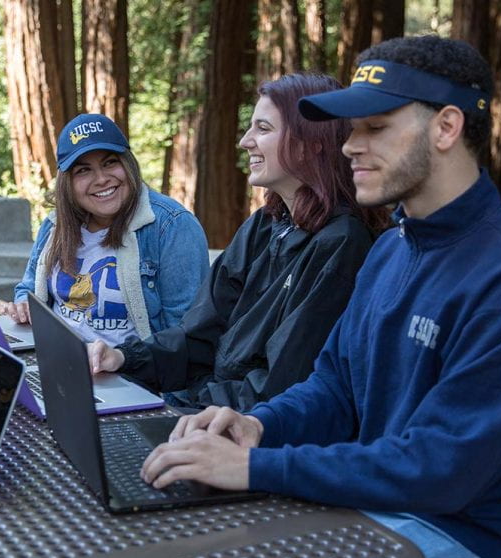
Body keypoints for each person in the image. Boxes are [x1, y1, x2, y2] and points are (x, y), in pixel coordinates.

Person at [139, 36, 501, 558]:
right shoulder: (392, 250)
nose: (351, 145)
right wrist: (259, 426)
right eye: (351, 128)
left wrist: (256, 466)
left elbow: (438, 469)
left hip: (475, 542)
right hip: (379, 505)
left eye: (375, 127)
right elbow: (334, 386)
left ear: (446, 128)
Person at [88, 74, 388, 412]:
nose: (246, 141)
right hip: (205, 409)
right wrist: (123, 358)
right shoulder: (265, 224)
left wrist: (181, 417)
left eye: (262, 129)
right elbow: (198, 336)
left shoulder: (341, 244)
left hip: (242, 431)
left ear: (311, 142)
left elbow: (279, 386)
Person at [4, 113, 209, 346]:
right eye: (83, 170)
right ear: (67, 183)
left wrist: (123, 361)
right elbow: (28, 287)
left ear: (128, 164)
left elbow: (185, 334)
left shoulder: (172, 226)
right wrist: (22, 305)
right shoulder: (55, 225)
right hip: (57, 358)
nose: (101, 179)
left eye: (110, 162)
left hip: (131, 375)